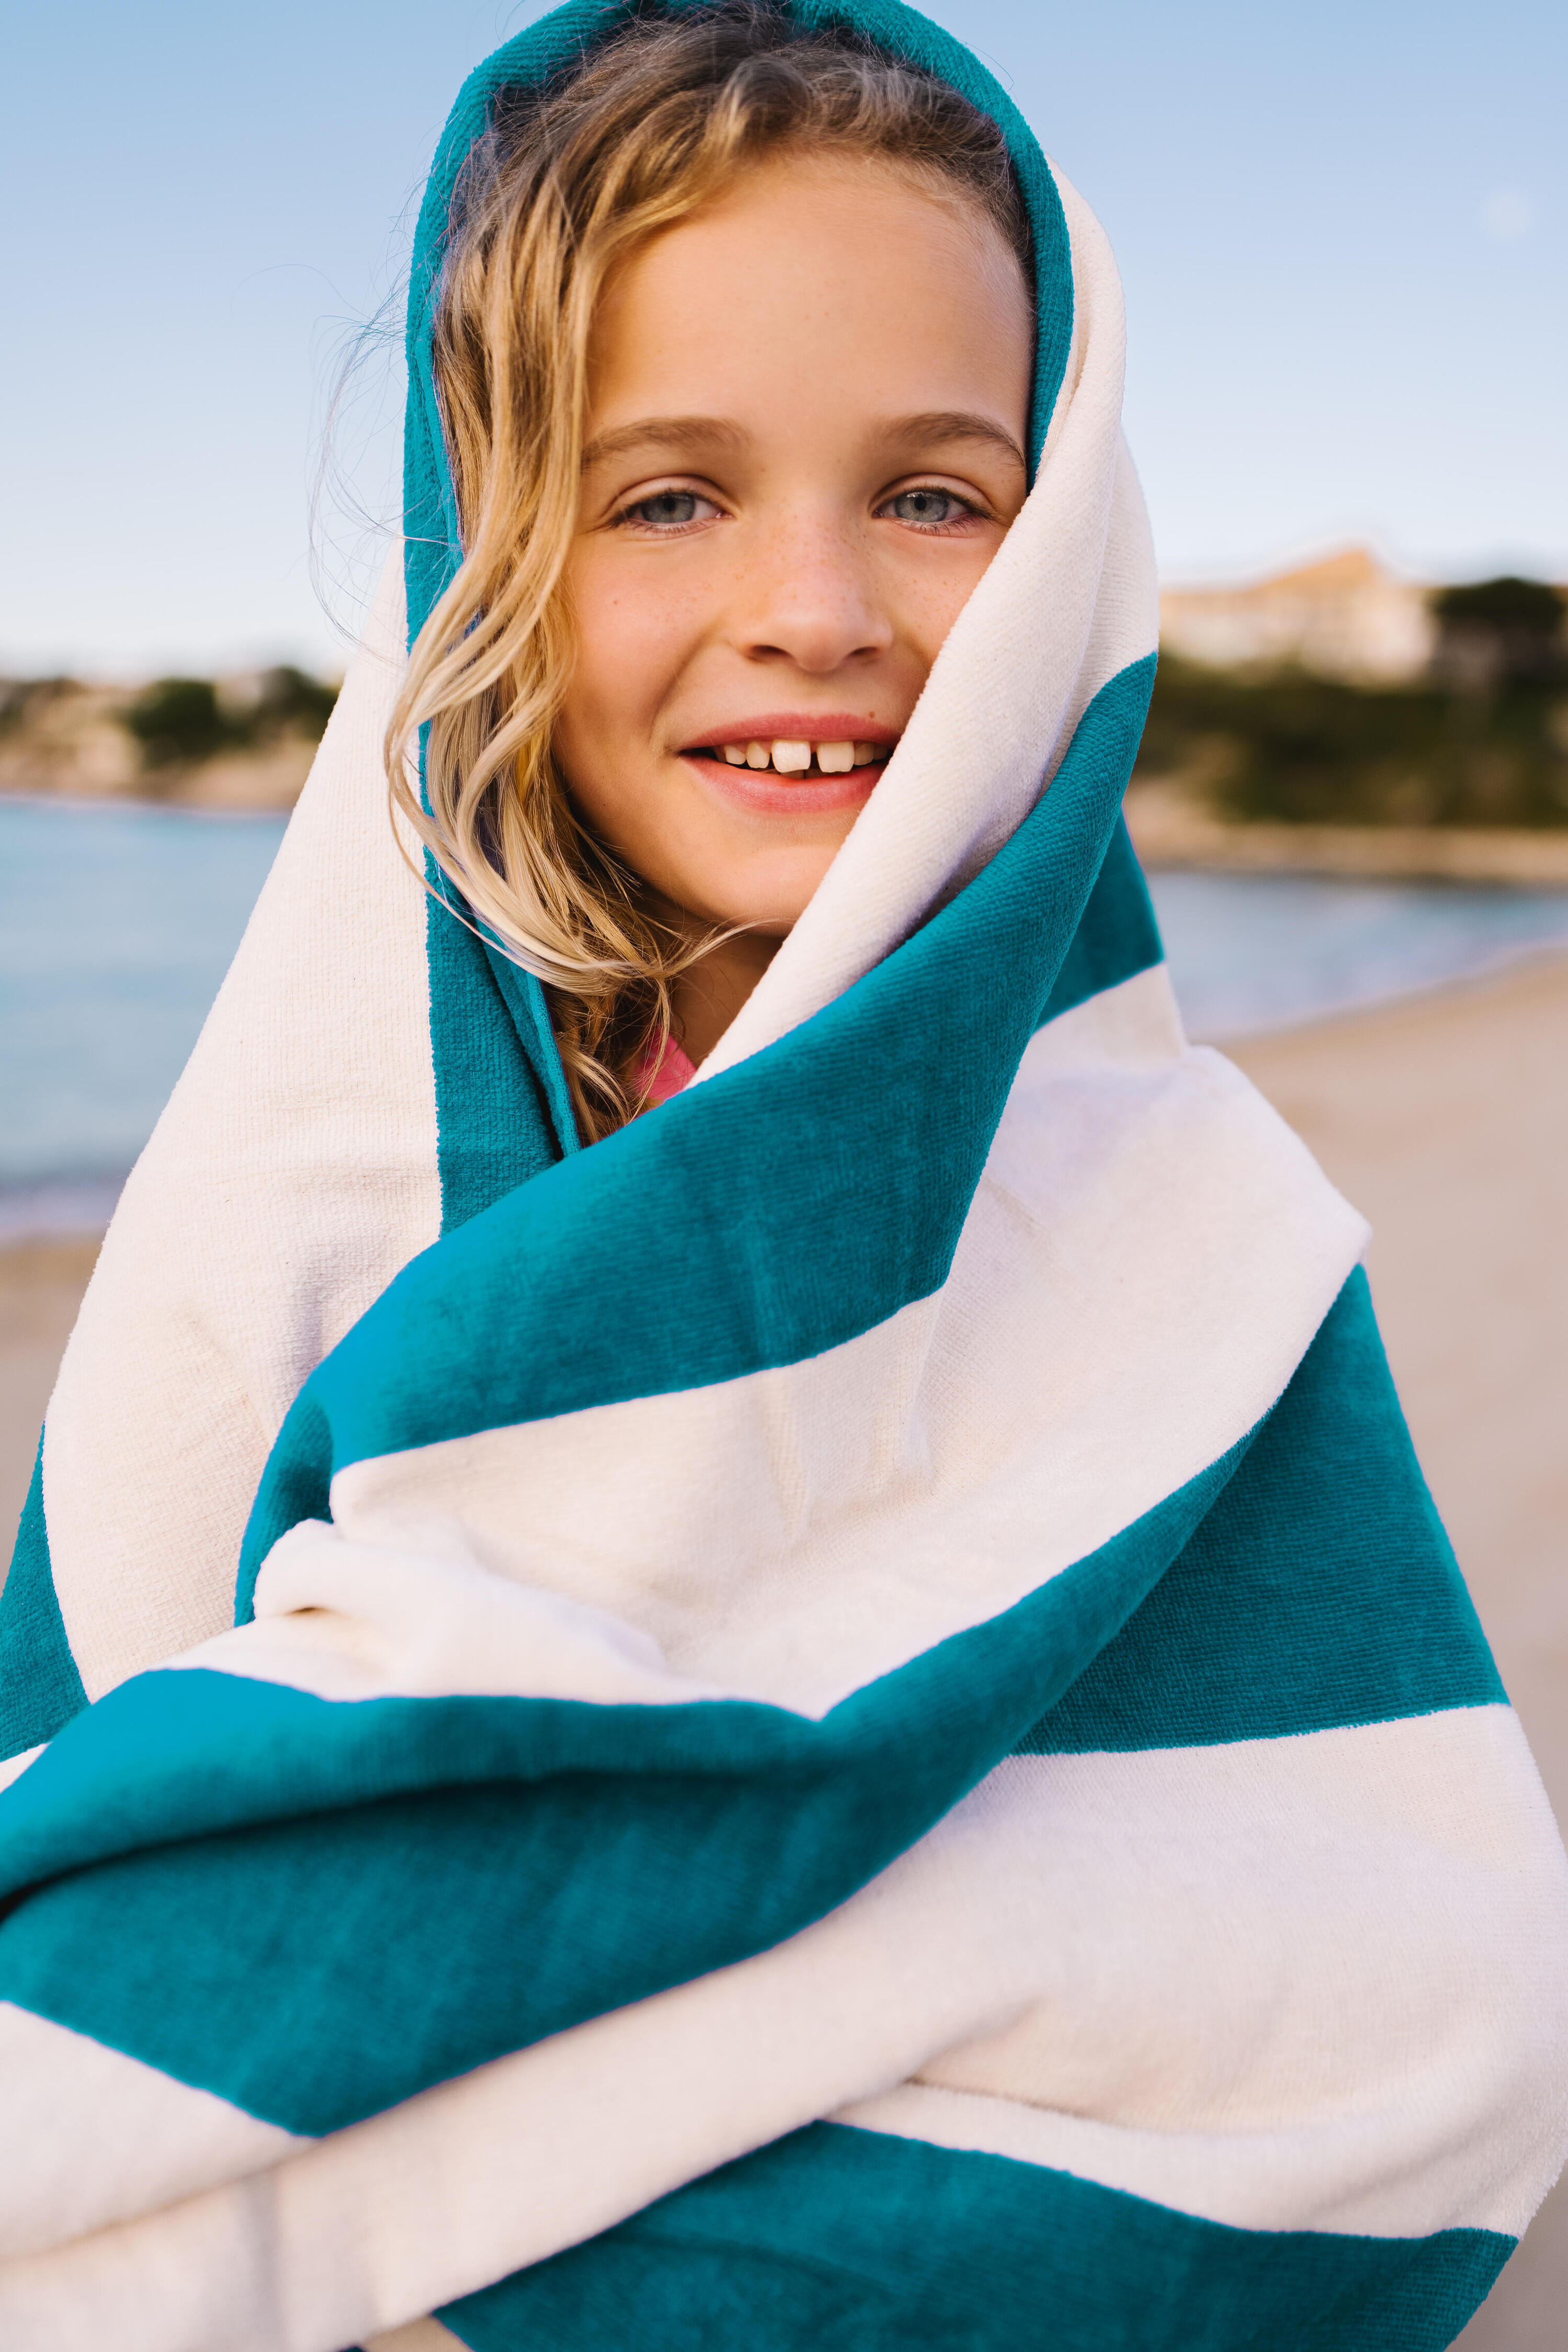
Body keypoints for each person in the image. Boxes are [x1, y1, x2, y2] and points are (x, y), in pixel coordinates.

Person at [1, 6, 1565, 2347]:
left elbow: (1395, 1960)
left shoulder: (1166, 1210)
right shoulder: (329, 1170)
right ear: (491, 544)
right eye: (670, 495)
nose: (817, 609)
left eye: (937, 495)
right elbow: (131, 1771)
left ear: (1064, 544)